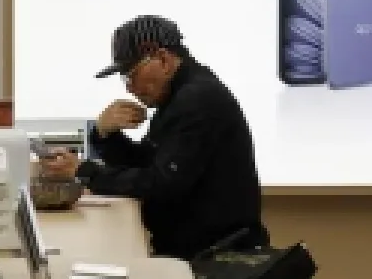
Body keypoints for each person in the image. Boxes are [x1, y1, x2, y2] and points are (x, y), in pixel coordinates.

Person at [41, 15, 269, 260]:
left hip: (219, 257)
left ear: (163, 60)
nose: (129, 87)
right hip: (198, 249)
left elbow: (162, 184)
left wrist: (84, 171)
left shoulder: (197, 100)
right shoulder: (177, 97)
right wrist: (106, 135)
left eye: (131, 74)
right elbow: (147, 164)